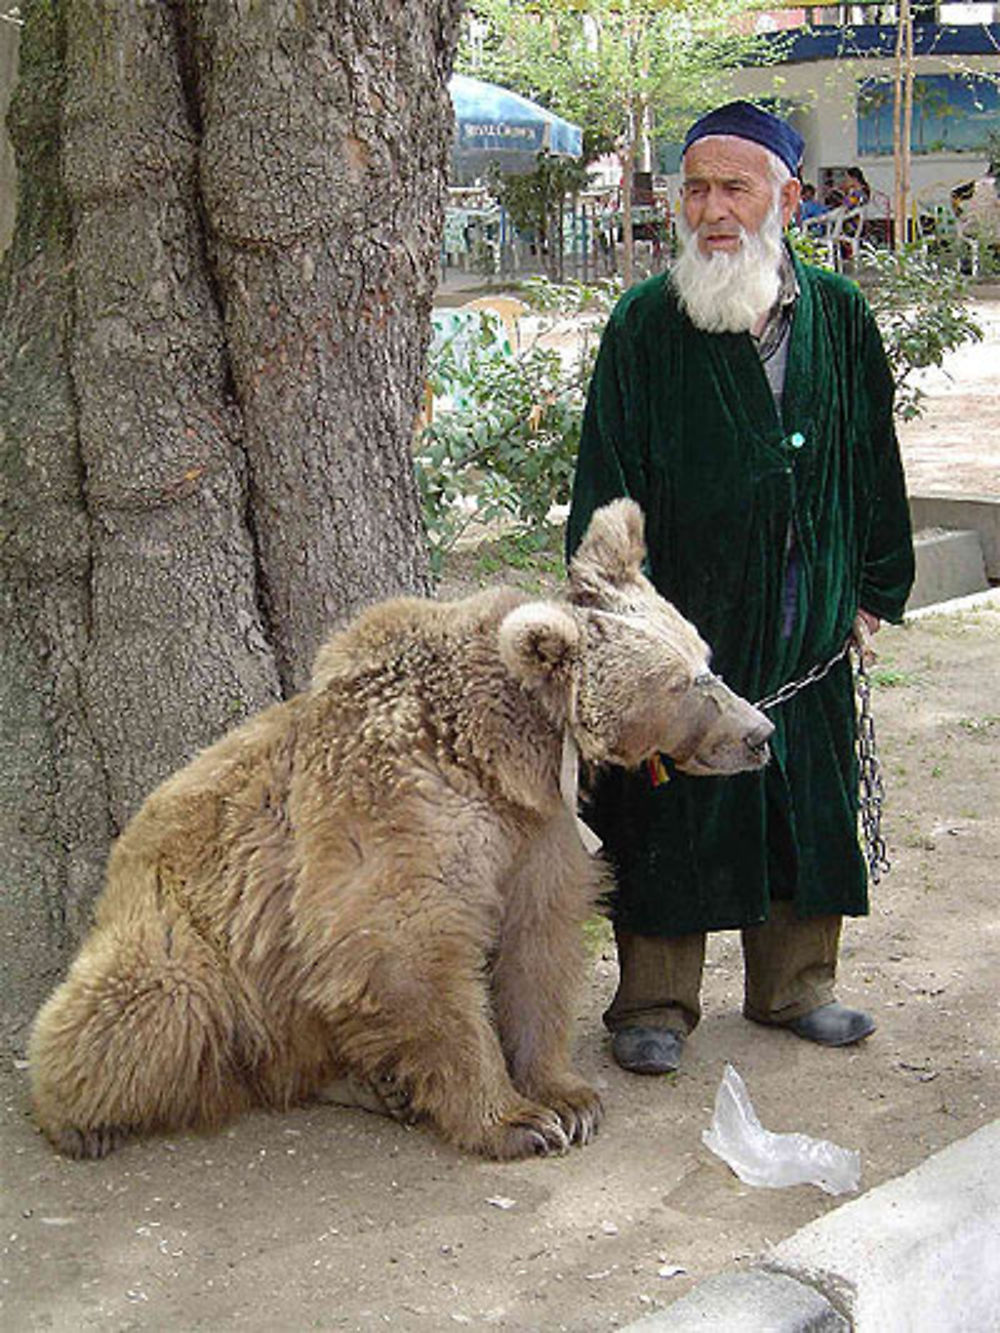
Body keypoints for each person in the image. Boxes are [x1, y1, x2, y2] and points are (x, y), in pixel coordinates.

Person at [566, 100, 914, 1076]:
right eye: (696, 188)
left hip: (811, 623)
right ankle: (654, 1002)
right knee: (669, 808)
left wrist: (876, 585)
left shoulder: (839, 319)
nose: (712, 208)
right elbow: (607, 477)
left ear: (788, 199)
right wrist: (611, 613)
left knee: (806, 792)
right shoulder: (645, 324)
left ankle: (795, 985)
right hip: (687, 632)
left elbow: (872, 461)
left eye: (735, 187)